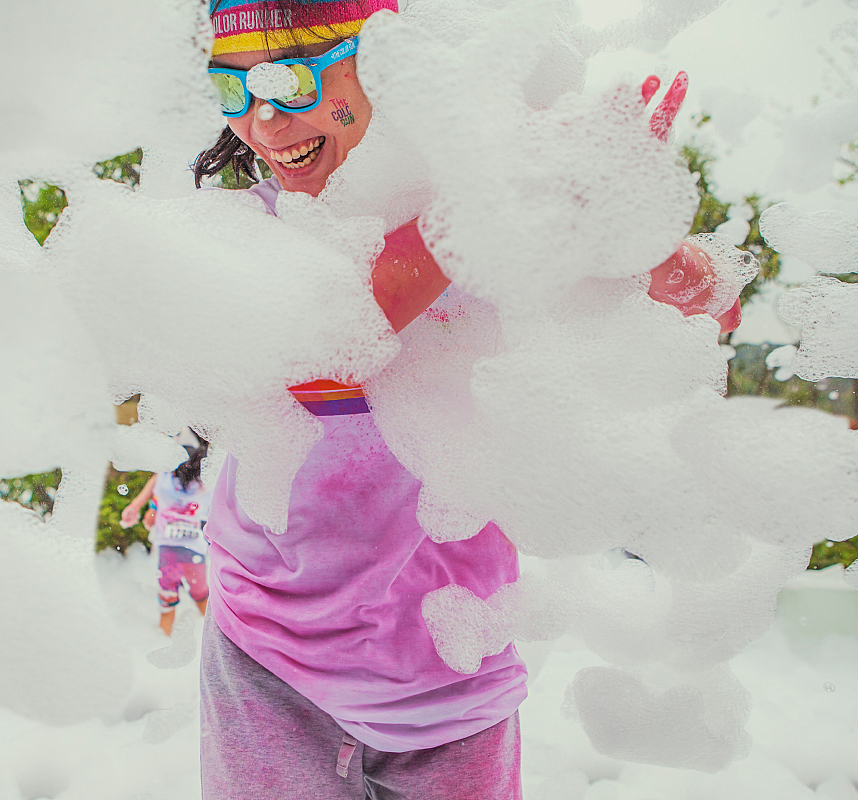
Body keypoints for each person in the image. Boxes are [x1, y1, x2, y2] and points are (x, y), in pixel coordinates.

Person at [192, 1, 742, 797]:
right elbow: (319, 346)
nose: (264, 118)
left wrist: (651, 245)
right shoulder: (250, 231)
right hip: (270, 660)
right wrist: (488, 210)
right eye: (232, 88)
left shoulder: (498, 232)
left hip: (454, 664)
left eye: (287, 78)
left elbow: (699, 319)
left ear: (395, 70)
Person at [121, 436, 213, 636]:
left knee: (167, 597)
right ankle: (212, 638)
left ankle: (163, 636)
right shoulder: (207, 486)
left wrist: (139, 507)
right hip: (194, 552)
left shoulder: (164, 480)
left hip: (167, 551)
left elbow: (157, 485)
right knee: (201, 595)